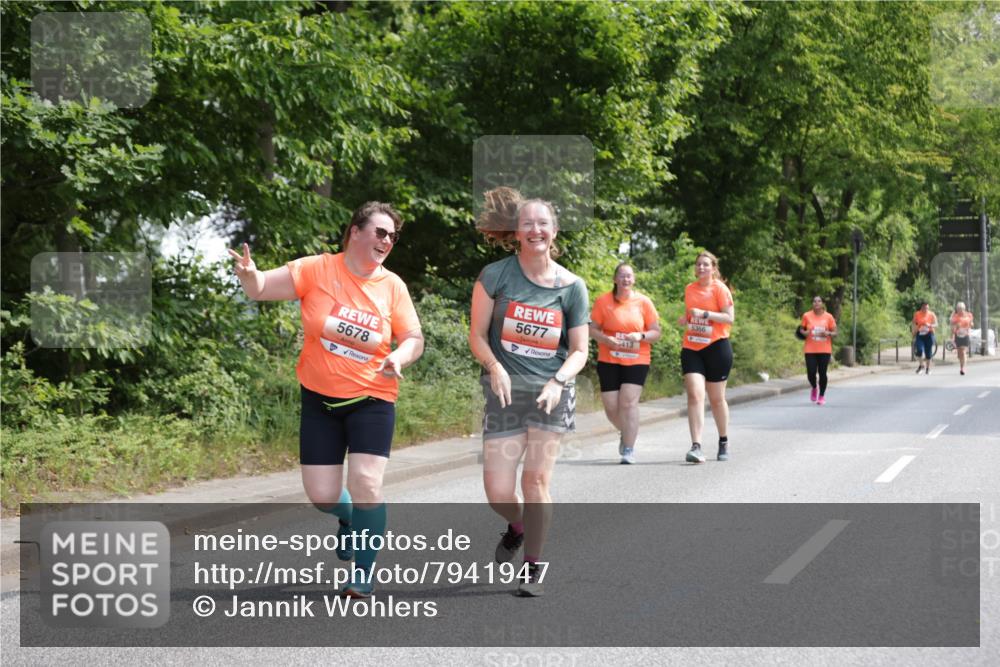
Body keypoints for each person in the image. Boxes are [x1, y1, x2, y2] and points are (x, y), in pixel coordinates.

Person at [228, 202, 424, 598]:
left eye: (392, 236)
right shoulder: (316, 269)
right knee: (322, 496)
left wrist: (398, 356)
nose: (387, 241)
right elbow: (261, 288)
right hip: (319, 399)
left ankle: (363, 573)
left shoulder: (392, 286)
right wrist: (249, 275)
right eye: (380, 232)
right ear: (355, 231)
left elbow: (414, 339)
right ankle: (349, 519)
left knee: (367, 482)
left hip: (373, 396)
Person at [469, 187, 589, 597]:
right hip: (504, 393)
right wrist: (494, 366)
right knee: (498, 491)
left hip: (549, 396)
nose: (535, 230)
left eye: (543, 223)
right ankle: (516, 525)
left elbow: (580, 351)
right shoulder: (494, 276)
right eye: (527, 223)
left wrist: (559, 382)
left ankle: (533, 566)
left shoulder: (572, 286)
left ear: (554, 232)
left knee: (536, 481)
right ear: (516, 232)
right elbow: (477, 336)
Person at [589, 263, 661, 464]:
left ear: (634, 279)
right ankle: (627, 431)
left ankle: (628, 448)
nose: (625, 280)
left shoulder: (644, 302)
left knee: (628, 403)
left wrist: (640, 335)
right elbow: (591, 329)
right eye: (622, 276)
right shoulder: (603, 302)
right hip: (609, 358)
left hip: (637, 359)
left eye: (629, 276)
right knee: (611, 407)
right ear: (615, 279)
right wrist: (605, 339)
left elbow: (656, 332)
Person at [677, 251, 735, 463]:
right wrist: (686, 318)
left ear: (713, 268)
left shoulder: (720, 289)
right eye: (698, 264)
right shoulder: (689, 289)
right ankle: (696, 446)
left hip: (717, 347)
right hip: (692, 347)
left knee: (717, 399)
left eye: (705, 265)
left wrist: (705, 314)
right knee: (694, 395)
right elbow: (691, 312)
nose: (701, 268)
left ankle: (723, 440)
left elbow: (729, 318)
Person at [798, 296, 837, 405]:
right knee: (811, 373)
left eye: (819, 301)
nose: (816, 303)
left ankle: (821, 396)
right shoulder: (807, 315)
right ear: (812, 303)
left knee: (822, 373)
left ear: (822, 303)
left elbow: (835, 332)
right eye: (814, 301)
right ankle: (814, 387)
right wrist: (804, 333)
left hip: (825, 349)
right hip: (810, 349)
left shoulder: (829, 317)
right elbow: (801, 329)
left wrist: (828, 333)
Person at [912, 301, 938, 375]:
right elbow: (914, 323)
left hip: (929, 334)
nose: (925, 309)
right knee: (919, 350)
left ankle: (928, 368)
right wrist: (914, 331)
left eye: (927, 308)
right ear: (921, 307)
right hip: (920, 334)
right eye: (924, 307)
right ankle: (921, 365)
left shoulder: (931, 314)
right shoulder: (917, 314)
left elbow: (936, 324)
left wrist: (930, 325)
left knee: (928, 352)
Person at [950, 301, 974, 375]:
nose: (960, 310)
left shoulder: (969, 315)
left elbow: (972, 323)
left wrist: (971, 324)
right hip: (958, 335)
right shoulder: (955, 316)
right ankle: (961, 364)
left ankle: (962, 368)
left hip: (966, 335)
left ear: (964, 308)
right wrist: (955, 327)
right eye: (958, 309)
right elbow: (952, 326)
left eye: (961, 309)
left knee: (963, 352)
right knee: (959, 353)